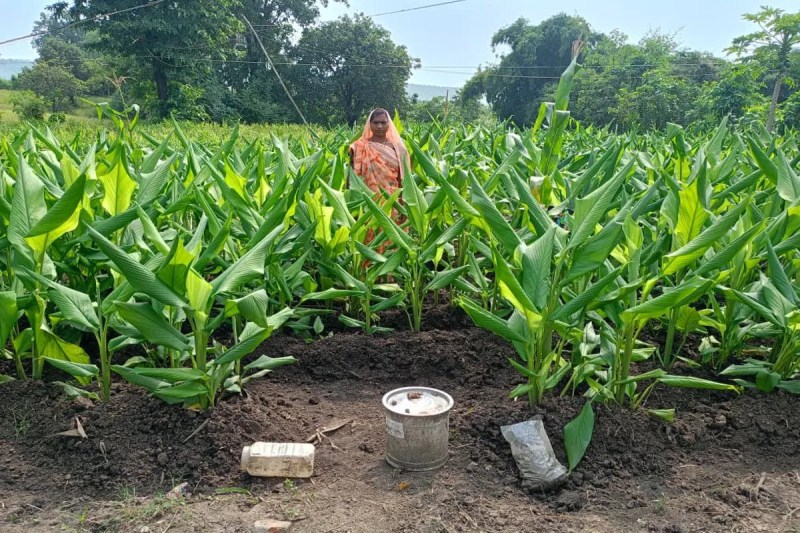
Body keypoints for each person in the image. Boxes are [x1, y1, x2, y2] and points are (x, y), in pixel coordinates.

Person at [349, 108, 411, 252]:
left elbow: (405, 179)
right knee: (369, 237)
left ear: (389, 124)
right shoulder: (359, 147)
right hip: (369, 201)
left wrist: (403, 204)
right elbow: (351, 177)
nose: (380, 126)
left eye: (383, 122)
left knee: (391, 237)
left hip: (393, 200)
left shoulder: (399, 149)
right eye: (376, 122)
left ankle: (389, 266)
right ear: (369, 124)